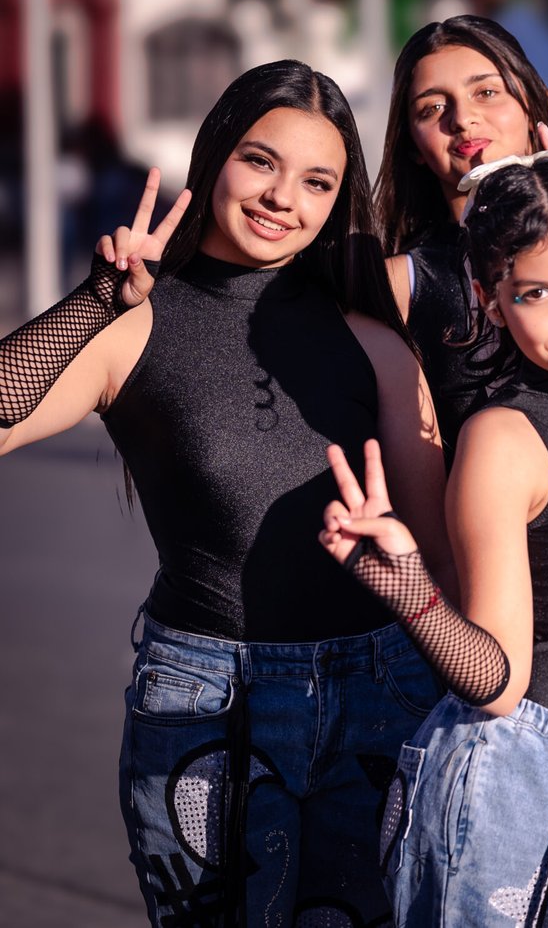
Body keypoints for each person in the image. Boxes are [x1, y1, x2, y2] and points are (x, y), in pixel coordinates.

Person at [0, 61, 451, 925]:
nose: (283, 197)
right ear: (215, 157)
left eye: (317, 181)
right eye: (260, 161)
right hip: (208, 702)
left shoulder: (373, 341)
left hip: (377, 692)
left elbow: (436, 553)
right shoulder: (134, 323)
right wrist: (93, 303)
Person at [319, 156, 548, 924]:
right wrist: (405, 585)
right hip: (510, 787)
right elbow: (497, 683)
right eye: (536, 293)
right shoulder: (503, 438)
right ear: (490, 304)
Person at [373, 15, 548, 464]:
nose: (463, 119)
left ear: (534, 104)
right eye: (432, 108)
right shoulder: (403, 281)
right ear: (412, 144)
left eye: (486, 92)